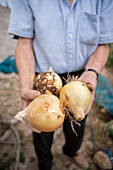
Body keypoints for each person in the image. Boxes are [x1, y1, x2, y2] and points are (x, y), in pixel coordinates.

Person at [8, 0, 113, 169]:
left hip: (81, 78)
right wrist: (27, 85)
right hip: (45, 80)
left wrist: (92, 71)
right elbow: (24, 42)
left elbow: (103, 45)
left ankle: (71, 152)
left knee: (78, 123)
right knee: (42, 125)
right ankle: (45, 163)